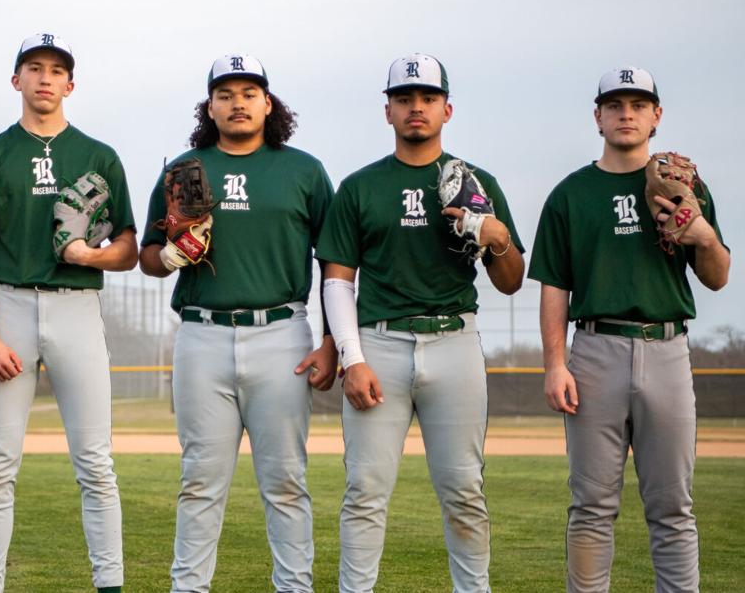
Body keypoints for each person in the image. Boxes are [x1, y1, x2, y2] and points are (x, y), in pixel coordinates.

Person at [317, 53, 524, 593]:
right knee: (365, 490)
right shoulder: (360, 187)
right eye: (404, 98)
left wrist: (494, 234)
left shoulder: (478, 182)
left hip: (455, 340)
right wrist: (351, 357)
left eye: (428, 98)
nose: (416, 107)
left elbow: (510, 280)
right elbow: (338, 281)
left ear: (447, 109)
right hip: (379, 345)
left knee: (463, 492)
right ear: (387, 111)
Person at [0, 33, 136, 593]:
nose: (45, 77)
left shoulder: (98, 155)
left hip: (78, 306)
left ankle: (111, 584)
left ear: (70, 84)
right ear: (16, 80)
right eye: (34, 67)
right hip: (8, 305)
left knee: (96, 463)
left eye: (56, 70)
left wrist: (89, 253)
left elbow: (126, 248)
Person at [139, 54, 337, 593]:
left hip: (282, 333)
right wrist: (174, 255)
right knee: (200, 480)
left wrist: (330, 340)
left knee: (286, 482)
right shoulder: (184, 167)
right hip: (201, 334)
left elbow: (336, 260)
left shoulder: (303, 170)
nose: (238, 102)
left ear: (268, 103)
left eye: (249, 92)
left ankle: (295, 587)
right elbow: (148, 258)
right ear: (210, 106)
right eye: (225, 94)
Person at [529, 66, 730, 593]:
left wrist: (703, 233)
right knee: (591, 506)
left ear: (656, 116)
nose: (626, 114)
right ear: (597, 117)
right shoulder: (571, 194)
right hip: (595, 349)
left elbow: (718, 276)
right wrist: (555, 363)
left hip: (667, 347)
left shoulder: (687, 186)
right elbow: (554, 288)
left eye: (638, 105)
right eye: (615, 105)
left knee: (673, 506)